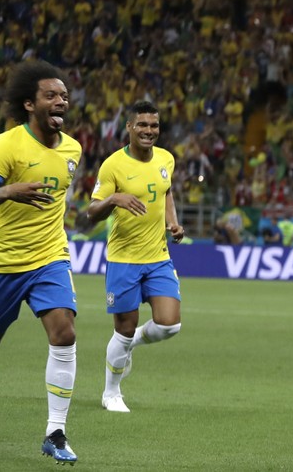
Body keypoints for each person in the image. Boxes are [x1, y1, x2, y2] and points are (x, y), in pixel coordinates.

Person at [0, 60, 81, 464]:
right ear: (29, 104)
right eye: (51, 96)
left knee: (65, 333)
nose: (61, 102)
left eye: (64, 96)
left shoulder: (73, 149)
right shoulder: (6, 145)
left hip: (49, 258)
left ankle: (55, 433)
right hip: (1, 262)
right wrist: (9, 191)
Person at [86, 101, 184, 414]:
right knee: (123, 330)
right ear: (129, 127)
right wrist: (115, 198)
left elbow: (166, 190)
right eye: (142, 125)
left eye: (154, 126)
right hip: (123, 259)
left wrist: (172, 222)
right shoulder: (113, 165)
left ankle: (132, 346)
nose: (149, 131)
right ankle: (111, 392)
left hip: (158, 256)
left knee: (169, 325)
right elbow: (91, 212)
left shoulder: (167, 158)